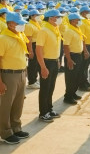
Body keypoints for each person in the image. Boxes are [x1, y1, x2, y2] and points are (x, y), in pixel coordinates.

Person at [0, 12, 29, 144]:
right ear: (10, 24)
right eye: (19, 23)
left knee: (18, 103)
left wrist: (25, 73)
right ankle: (5, 132)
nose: (22, 26)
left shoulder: (19, 36)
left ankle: (16, 127)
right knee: (6, 105)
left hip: (21, 73)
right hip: (8, 75)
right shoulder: (3, 38)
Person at [36, 9, 63, 123]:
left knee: (51, 87)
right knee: (45, 88)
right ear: (51, 18)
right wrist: (43, 67)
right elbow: (39, 50)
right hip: (46, 62)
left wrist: (57, 60)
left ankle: (49, 108)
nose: (59, 19)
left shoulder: (54, 29)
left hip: (54, 61)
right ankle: (43, 113)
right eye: (57, 17)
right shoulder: (44, 30)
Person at [62, 13, 85, 105]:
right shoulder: (69, 31)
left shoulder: (77, 29)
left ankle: (73, 93)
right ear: (72, 21)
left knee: (77, 76)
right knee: (70, 78)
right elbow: (66, 46)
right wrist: (69, 59)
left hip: (79, 55)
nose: (79, 21)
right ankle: (68, 96)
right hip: (72, 56)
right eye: (78, 20)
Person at [25, 9, 42, 89]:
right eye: (36, 15)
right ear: (32, 16)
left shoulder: (36, 23)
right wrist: (30, 50)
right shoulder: (29, 25)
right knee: (32, 64)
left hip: (37, 44)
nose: (38, 17)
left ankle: (34, 79)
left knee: (36, 64)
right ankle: (31, 81)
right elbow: (29, 39)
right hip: (32, 45)